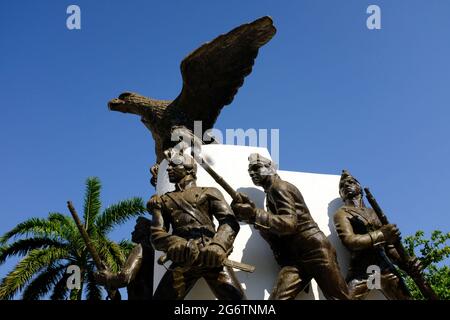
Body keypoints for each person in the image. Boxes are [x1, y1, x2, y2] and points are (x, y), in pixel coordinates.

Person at [231, 153, 350, 300]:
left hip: (315, 250)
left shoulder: (279, 187)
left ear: (270, 168)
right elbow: (278, 230)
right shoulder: (270, 194)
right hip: (296, 258)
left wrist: (255, 214)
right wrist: (251, 218)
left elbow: (289, 224)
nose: (253, 173)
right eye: (250, 172)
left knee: (339, 297)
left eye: (256, 168)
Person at [147, 149, 245, 300]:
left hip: (210, 254)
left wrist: (218, 246)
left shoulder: (210, 192)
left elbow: (229, 221)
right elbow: (156, 234)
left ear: (189, 168)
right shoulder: (163, 200)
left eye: (174, 165)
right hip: (184, 257)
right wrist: (175, 242)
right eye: (169, 165)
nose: (168, 168)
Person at [333, 170, 420, 299]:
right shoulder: (342, 213)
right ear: (341, 194)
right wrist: (382, 234)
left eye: (351, 182)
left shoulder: (374, 212)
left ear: (359, 187)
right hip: (361, 271)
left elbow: (389, 247)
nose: (346, 186)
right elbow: (350, 241)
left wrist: (406, 263)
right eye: (342, 186)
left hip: (385, 268)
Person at [94, 217, 155, 300]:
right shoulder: (153, 252)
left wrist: (107, 276)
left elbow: (125, 277)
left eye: (136, 229)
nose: (132, 232)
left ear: (144, 232)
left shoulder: (140, 248)